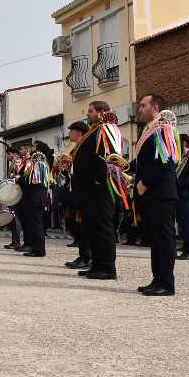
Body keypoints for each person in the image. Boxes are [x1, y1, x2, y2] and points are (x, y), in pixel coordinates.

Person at [131, 96, 179, 296]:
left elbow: (164, 162)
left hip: (160, 194)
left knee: (164, 238)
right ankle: (157, 278)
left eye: (143, 105)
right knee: (155, 239)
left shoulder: (163, 129)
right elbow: (145, 161)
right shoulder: (148, 130)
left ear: (155, 108)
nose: (139, 108)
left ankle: (166, 283)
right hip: (151, 195)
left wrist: (145, 182)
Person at [71, 101, 124, 280]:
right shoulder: (95, 130)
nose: (88, 114)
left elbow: (108, 156)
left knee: (102, 228)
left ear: (102, 112)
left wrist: (97, 179)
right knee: (93, 228)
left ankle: (107, 268)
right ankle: (97, 264)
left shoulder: (106, 129)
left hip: (99, 187)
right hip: (89, 189)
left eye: (91, 111)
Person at [60, 121, 91, 270]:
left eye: (71, 131)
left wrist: (71, 164)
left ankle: (87, 256)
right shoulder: (75, 146)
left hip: (81, 190)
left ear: (79, 132)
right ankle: (83, 253)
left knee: (81, 224)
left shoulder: (84, 145)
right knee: (72, 221)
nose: (69, 134)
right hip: (73, 189)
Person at [17, 141, 49, 258]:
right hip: (35, 197)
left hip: (35, 198)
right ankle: (36, 248)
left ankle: (39, 250)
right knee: (35, 224)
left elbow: (32, 181)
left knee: (36, 224)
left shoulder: (38, 163)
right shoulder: (39, 163)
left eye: (34, 147)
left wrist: (19, 178)